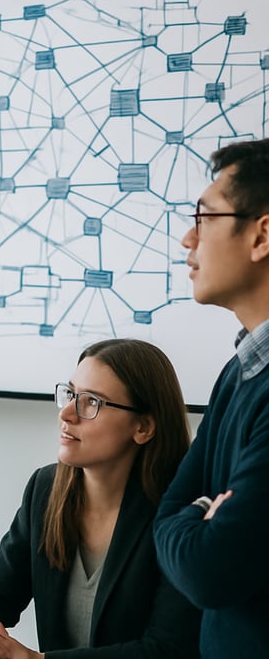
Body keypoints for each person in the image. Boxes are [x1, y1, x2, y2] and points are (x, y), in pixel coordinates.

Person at [0, 338, 201, 659]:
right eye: (71, 394)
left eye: (92, 402)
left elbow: (166, 650)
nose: (66, 413)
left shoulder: (182, 510)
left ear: (143, 427)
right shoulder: (45, 489)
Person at [154, 138, 269, 657]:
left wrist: (199, 516)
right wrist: (200, 511)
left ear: (262, 234)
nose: (186, 239)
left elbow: (211, 571)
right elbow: (168, 513)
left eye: (203, 219)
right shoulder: (238, 371)